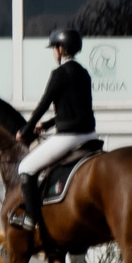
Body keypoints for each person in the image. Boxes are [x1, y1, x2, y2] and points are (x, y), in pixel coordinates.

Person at [11, 27, 98, 232]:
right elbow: (76, 108)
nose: (53, 53)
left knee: (25, 168)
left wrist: (25, 130)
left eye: (54, 48)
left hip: (69, 138)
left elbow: (43, 104)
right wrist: (47, 125)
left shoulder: (59, 74)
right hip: (90, 136)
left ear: (61, 49)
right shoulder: (84, 73)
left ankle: (31, 218)